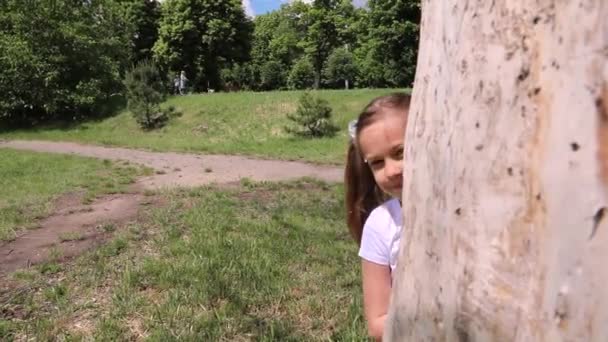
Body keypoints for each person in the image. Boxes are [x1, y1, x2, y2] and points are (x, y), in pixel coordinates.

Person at [344, 93, 410, 341]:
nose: (391, 171)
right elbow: (378, 322)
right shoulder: (381, 224)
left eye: (401, 152)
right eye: (378, 163)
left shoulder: (470, 211)